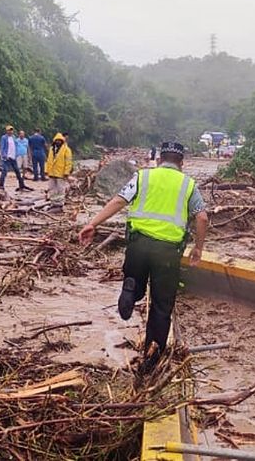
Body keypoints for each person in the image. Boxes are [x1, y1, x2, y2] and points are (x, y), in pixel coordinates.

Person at [78, 141, 209, 375]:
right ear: (181, 164)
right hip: (168, 253)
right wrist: (198, 248)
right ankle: (151, 360)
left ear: (159, 160)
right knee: (161, 306)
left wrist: (92, 223)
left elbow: (118, 200)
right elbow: (202, 218)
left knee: (135, 280)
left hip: (138, 245)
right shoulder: (188, 185)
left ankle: (132, 288)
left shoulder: (142, 177)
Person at [0, 125, 32, 192]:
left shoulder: (13, 137)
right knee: (4, 172)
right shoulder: (4, 138)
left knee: (18, 172)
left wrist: (16, 154)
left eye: (11, 130)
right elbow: (2, 147)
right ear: (6, 131)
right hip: (6, 158)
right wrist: (4, 155)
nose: (10, 131)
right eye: (9, 130)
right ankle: (1, 186)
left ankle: (21, 185)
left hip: (13, 157)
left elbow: (15, 146)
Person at [45, 132, 72, 203]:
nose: (58, 142)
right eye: (57, 140)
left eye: (59, 141)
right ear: (54, 141)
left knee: (61, 189)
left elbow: (68, 162)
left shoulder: (66, 150)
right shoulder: (51, 149)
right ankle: (53, 202)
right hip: (52, 172)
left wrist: (66, 172)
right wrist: (46, 170)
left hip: (61, 173)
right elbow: (48, 160)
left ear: (62, 141)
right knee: (52, 188)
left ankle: (60, 203)